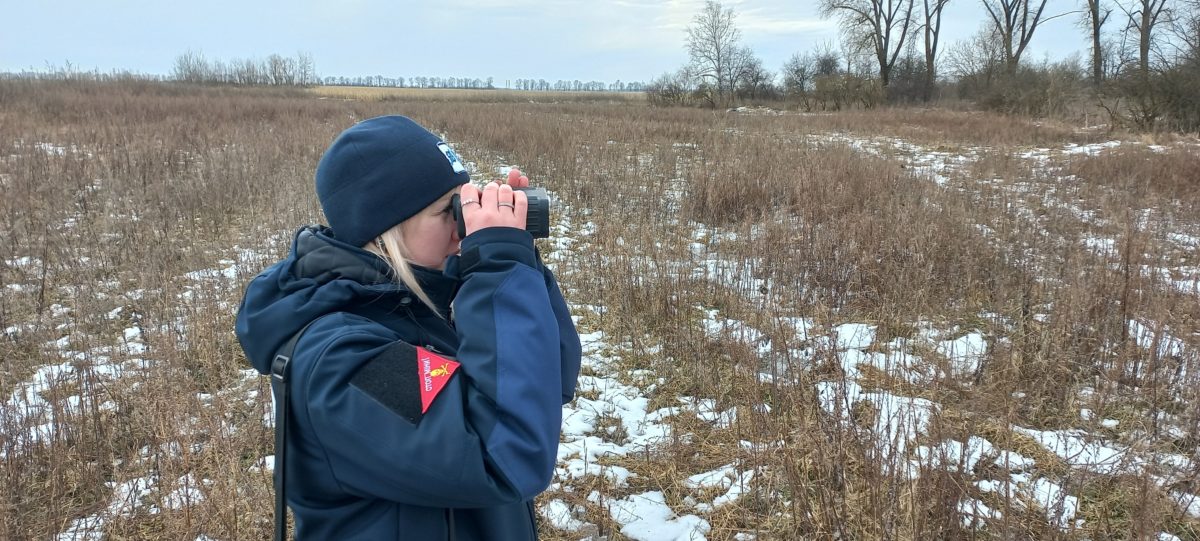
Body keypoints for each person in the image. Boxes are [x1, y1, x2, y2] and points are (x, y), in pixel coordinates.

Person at [235, 115, 581, 540]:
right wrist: (498, 270)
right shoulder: (341, 359)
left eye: (464, 204)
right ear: (386, 233)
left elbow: (550, 381)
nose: (464, 227)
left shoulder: (419, 301)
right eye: (447, 211)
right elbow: (504, 454)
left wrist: (517, 260)